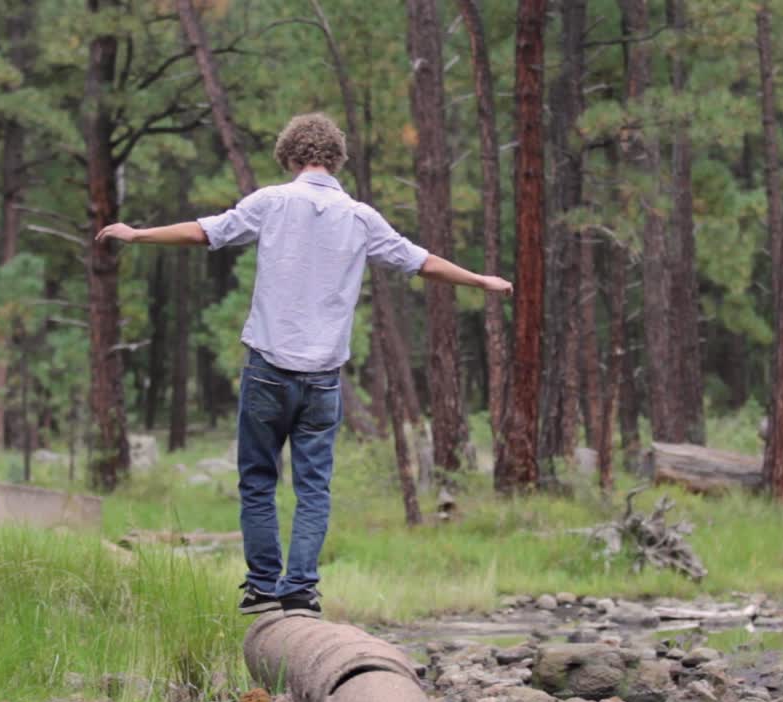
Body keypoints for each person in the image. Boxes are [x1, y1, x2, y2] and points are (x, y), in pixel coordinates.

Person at [96, 113, 512, 618]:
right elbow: (420, 262)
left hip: (268, 368)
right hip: (322, 379)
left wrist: (139, 235)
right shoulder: (361, 217)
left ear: (290, 157)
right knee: (313, 487)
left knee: (257, 480)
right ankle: (301, 590)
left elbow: (206, 233)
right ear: (335, 159)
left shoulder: (271, 202)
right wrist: (479, 281)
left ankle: (261, 587)